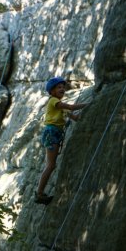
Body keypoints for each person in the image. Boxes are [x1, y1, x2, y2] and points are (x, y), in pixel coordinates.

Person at [35, 76, 86, 204]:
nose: (62, 88)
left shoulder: (60, 107)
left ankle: (40, 193)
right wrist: (89, 104)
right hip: (51, 133)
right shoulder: (53, 101)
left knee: (51, 165)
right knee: (51, 165)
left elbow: (75, 117)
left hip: (55, 133)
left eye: (63, 87)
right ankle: (39, 194)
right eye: (59, 87)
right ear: (52, 91)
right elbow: (71, 107)